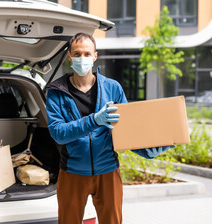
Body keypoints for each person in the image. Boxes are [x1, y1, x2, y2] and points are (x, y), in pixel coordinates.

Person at [45, 32, 174, 224]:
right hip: (72, 171)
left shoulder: (113, 88)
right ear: (69, 57)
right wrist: (94, 120)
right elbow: (58, 133)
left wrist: (147, 152)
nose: (82, 58)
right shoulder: (56, 92)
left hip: (108, 170)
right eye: (77, 53)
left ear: (95, 56)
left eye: (87, 54)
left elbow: (126, 131)